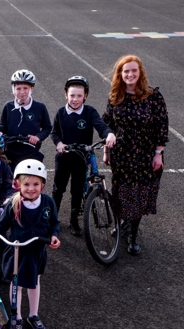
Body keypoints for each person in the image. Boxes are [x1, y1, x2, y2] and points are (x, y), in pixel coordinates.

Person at [0, 159, 61, 329]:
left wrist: (54, 236)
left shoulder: (47, 203)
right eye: (26, 184)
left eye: (36, 184)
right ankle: (18, 318)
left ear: (43, 185)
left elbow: (54, 224)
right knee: (17, 285)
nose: (31, 188)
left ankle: (33, 315)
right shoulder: (14, 204)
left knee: (35, 282)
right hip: (17, 251)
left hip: (36, 251)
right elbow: (1, 225)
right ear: (18, 185)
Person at [102, 55, 168, 255]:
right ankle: (123, 221)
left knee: (138, 194)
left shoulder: (153, 96)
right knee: (121, 191)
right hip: (122, 154)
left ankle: (133, 234)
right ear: (120, 75)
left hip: (145, 154)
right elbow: (108, 125)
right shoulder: (115, 97)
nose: (130, 74)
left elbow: (162, 126)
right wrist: (106, 150)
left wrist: (158, 154)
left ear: (140, 73)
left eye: (133, 71)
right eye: (126, 71)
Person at [50, 76, 116, 236]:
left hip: (81, 158)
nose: (75, 99)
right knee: (58, 189)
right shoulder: (61, 112)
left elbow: (101, 125)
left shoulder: (89, 112)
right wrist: (58, 143)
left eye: (79, 96)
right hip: (64, 157)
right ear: (66, 95)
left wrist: (109, 134)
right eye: (72, 95)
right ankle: (52, 219)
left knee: (77, 190)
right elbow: (54, 133)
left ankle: (74, 220)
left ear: (85, 95)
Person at [0, 70, 52, 170]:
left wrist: (38, 137)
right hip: (11, 151)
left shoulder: (39, 107)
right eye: (18, 88)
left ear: (31, 89)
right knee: (8, 181)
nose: (22, 92)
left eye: (26, 88)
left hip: (30, 150)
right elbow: (3, 127)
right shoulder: (8, 106)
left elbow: (47, 127)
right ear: (13, 89)